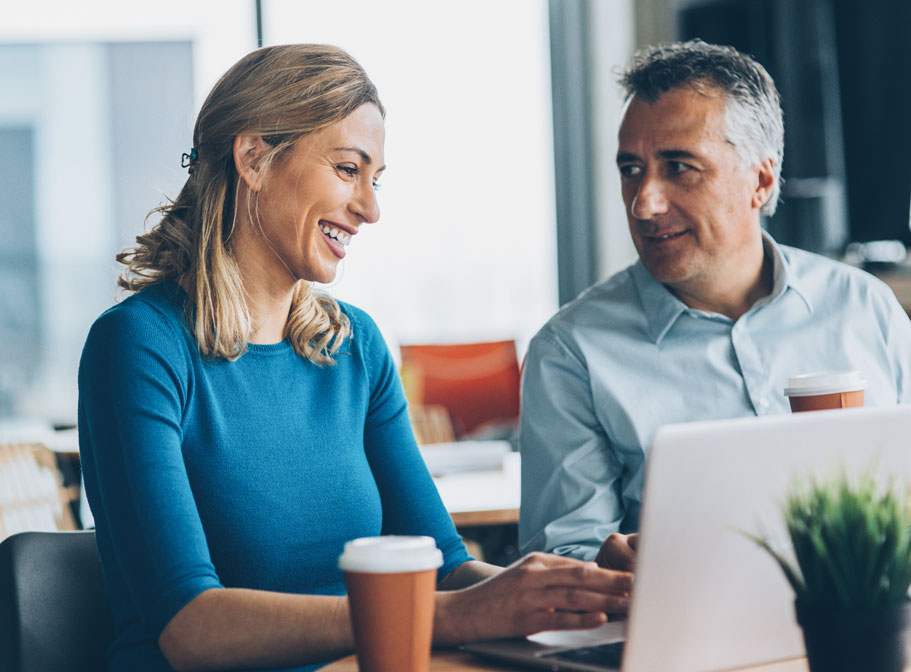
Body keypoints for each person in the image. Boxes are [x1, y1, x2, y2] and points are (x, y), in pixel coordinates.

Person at [78, 45, 632, 672]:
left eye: (376, 179)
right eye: (348, 170)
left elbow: (445, 567)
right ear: (254, 158)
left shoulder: (353, 346)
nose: (370, 208)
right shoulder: (140, 346)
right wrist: (443, 616)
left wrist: (579, 591)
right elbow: (190, 626)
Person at [518, 40, 911, 570]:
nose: (644, 203)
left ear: (761, 180)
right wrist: (606, 567)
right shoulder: (570, 353)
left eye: (679, 167)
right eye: (631, 169)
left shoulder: (867, 307)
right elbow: (561, 564)